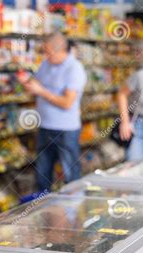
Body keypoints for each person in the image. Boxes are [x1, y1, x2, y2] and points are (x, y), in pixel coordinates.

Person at [19, 32, 87, 192]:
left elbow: (67, 103)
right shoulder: (46, 64)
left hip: (66, 130)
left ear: (60, 50)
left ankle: (75, 212)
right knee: (42, 175)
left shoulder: (74, 69)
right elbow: (36, 83)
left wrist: (41, 91)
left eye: (48, 52)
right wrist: (27, 83)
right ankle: (44, 212)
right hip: (45, 127)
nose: (45, 55)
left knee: (70, 175)